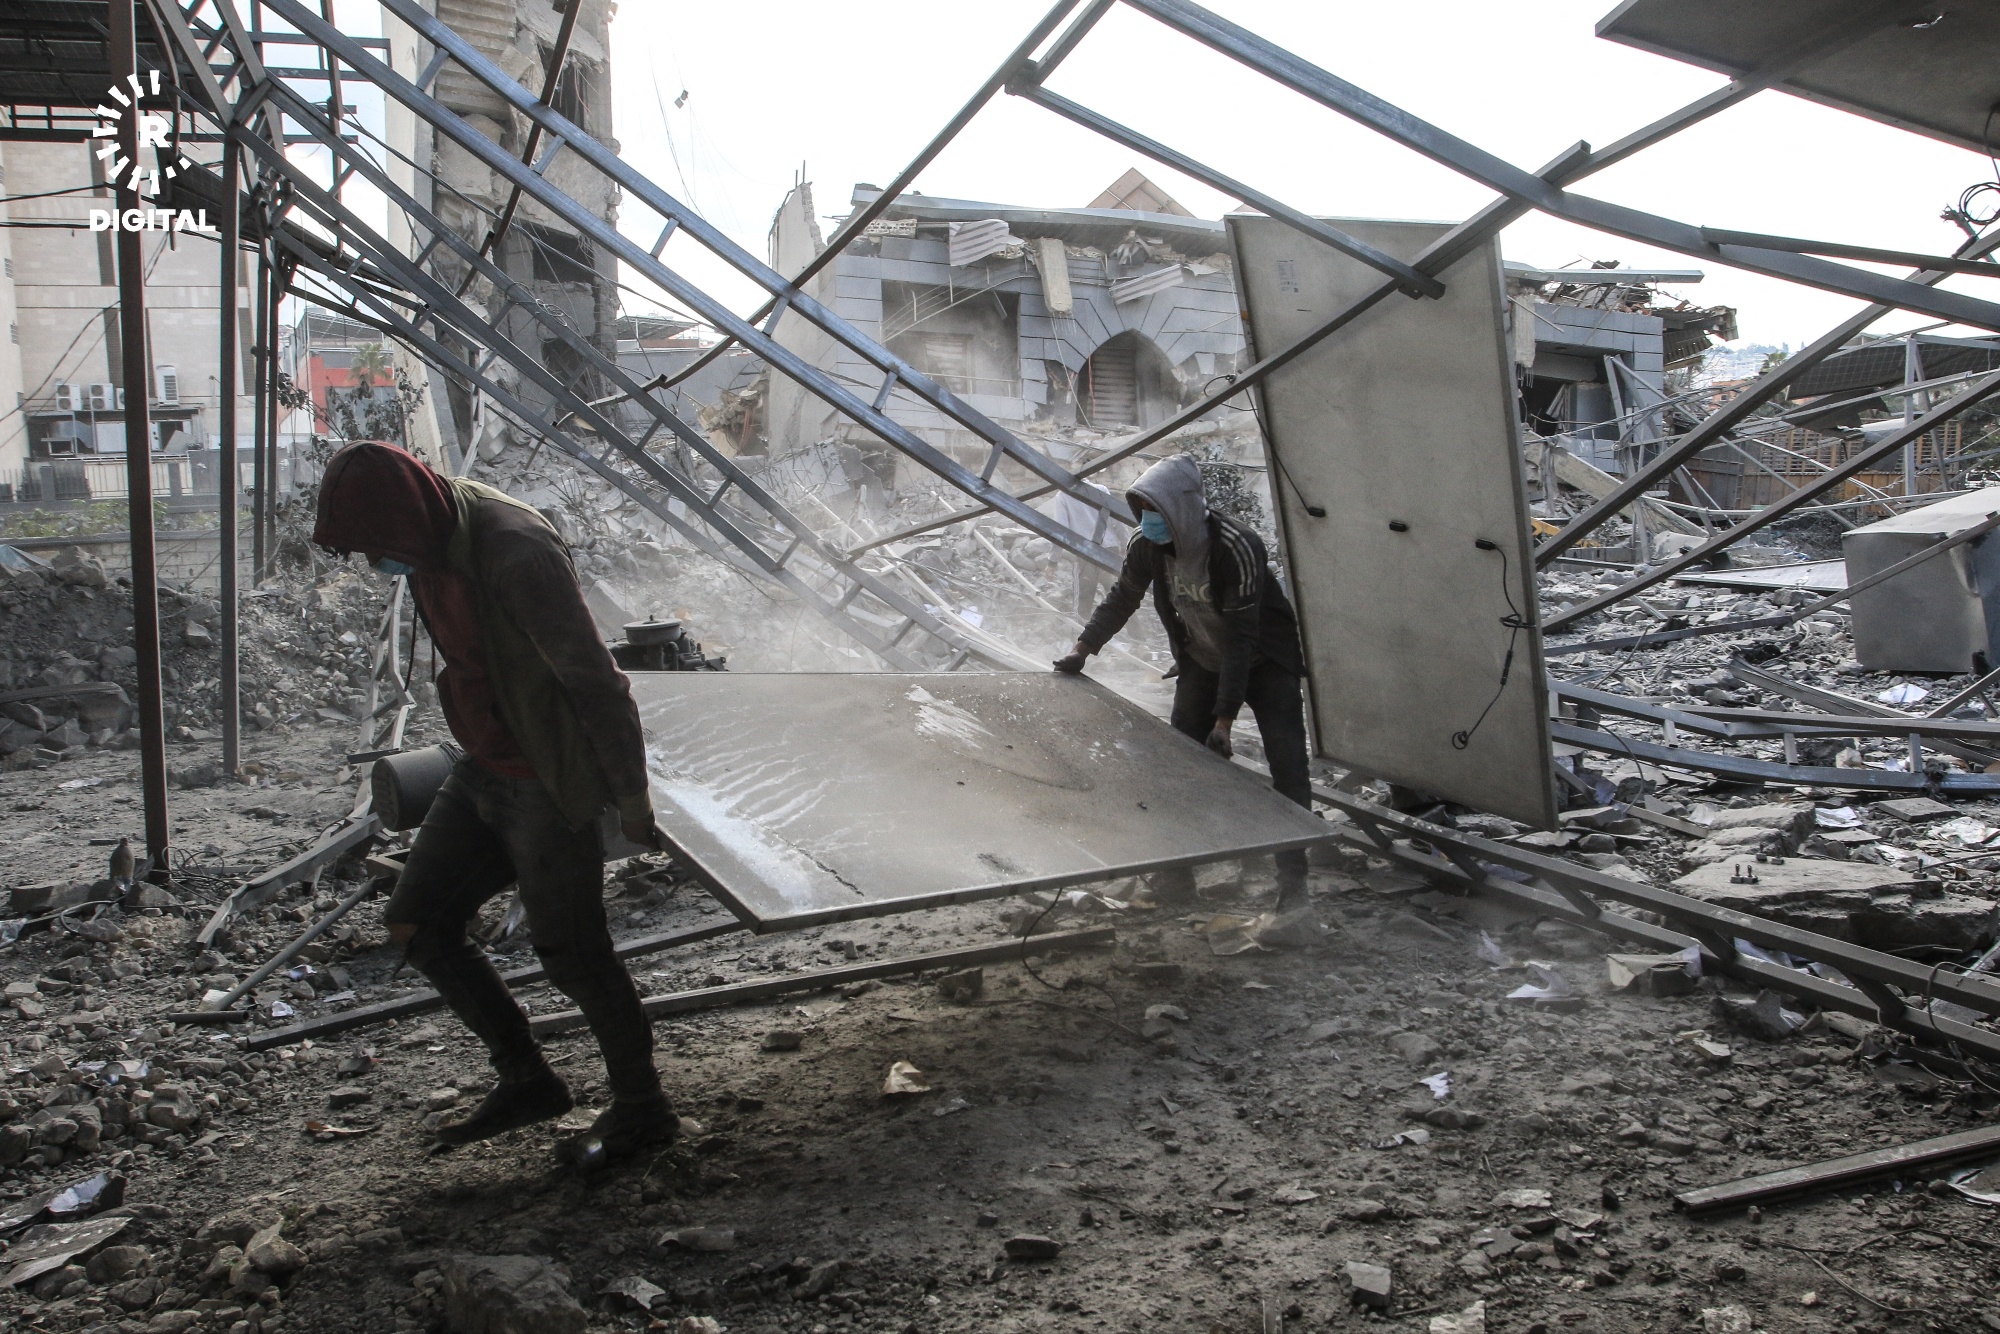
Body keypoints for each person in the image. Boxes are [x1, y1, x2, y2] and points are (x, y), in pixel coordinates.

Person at [312, 441, 671, 1163]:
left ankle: (643, 1110)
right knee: (419, 925)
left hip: (546, 774)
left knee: (574, 956)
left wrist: (631, 800)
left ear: (409, 521)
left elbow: (596, 681)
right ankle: (528, 1080)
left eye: (378, 548)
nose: (375, 563)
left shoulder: (515, 551)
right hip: (482, 762)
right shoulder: (429, 537)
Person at [1053, 454, 1313, 908]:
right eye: (1142, 510)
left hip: (1265, 661)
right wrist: (1082, 650)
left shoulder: (1235, 546)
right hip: (1201, 658)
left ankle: (1293, 885)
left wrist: (1225, 720)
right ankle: (1177, 877)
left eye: (1156, 510)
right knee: (1176, 766)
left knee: (1288, 767)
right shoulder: (1146, 545)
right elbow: (1123, 597)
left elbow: (1242, 638)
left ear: (1183, 508)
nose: (1148, 520)